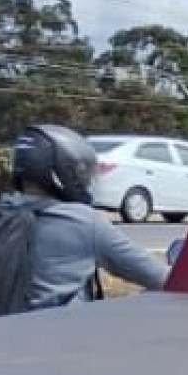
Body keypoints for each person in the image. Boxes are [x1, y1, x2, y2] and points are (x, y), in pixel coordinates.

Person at [11, 124, 171, 309]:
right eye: (79, 171)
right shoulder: (83, 222)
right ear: (62, 170)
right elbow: (164, 279)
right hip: (59, 334)